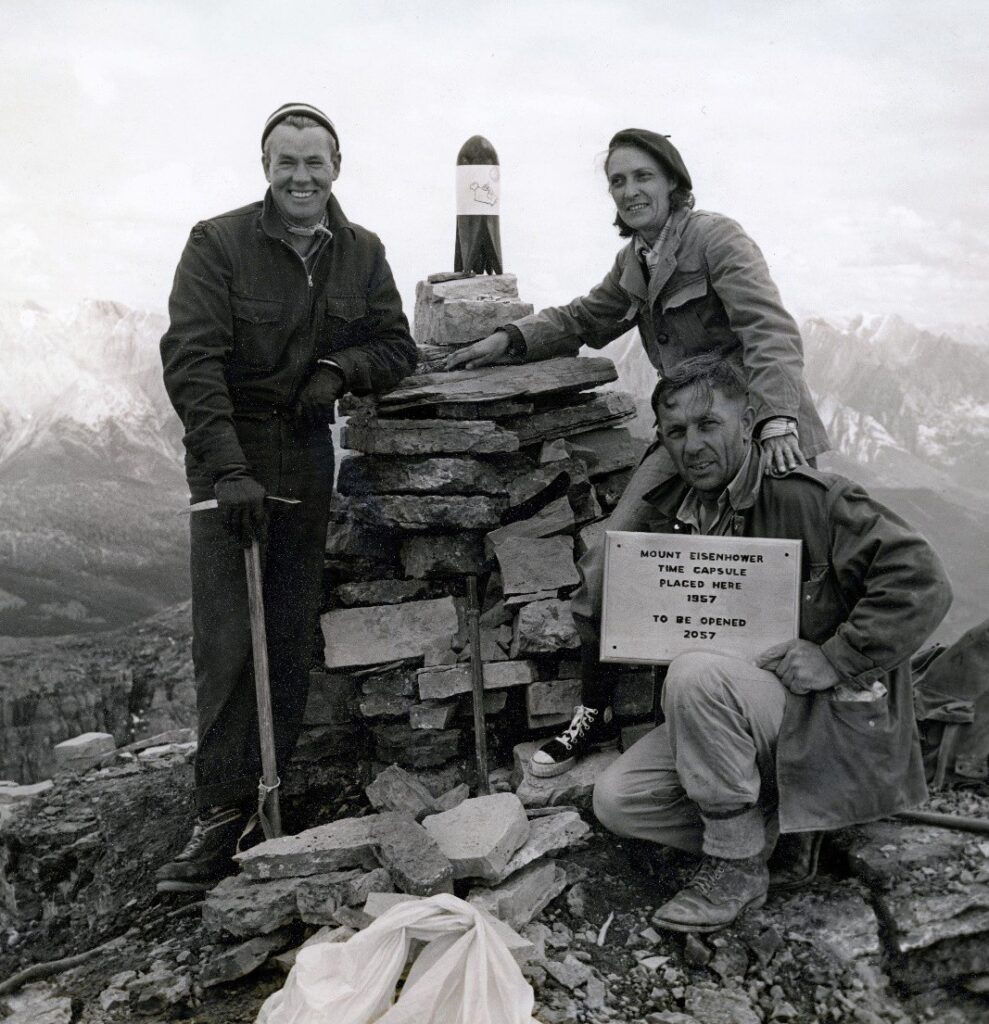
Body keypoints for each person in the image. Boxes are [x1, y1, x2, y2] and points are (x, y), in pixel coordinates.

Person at [444, 128, 830, 777]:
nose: (629, 189)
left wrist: (776, 422)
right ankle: (592, 712)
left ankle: (786, 738)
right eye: (618, 181)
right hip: (684, 438)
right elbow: (582, 320)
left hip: (755, 430)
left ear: (672, 183)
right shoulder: (637, 264)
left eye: (641, 176)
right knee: (609, 557)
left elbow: (769, 332)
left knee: (770, 583)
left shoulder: (716, 239)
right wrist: (507, 340)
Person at [589, 352, 951, 932]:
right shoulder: (667, 515)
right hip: (737, 714)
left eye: (710, 425)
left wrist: (837, 657)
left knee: (696, 675)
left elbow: (922, 580)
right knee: (618, 800)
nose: (692, 445)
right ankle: (784, 836)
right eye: (676, 431)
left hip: (823, 713)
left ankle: (735, 865)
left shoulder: (813, 497)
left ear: (748, 420)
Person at [156, 103, 416, 891]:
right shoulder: (218, 243)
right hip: (229, 458)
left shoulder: (362, 252)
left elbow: (395, 344)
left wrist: (340, 371)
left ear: (336, 165)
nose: (301, 177)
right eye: (285, 162)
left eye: (315, 162)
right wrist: (229, 471)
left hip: (305, 457)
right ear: (264, 165)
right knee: (229, 639)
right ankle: (218, 815)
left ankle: (277, 788)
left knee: (291, 628)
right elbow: (191, 362)